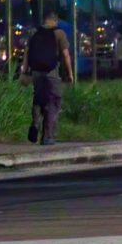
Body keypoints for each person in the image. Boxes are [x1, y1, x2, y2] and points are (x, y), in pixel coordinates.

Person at [21, 11, 75, 146]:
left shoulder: (34, 32)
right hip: (52, 73)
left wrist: (25, 71)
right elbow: (65, 55)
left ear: (44, 20)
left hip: (36, 73)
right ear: (55, 21)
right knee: (53, 102)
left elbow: (27, 54)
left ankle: (35, 122)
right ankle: (47, 136)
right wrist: (69, 74)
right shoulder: (59, 33)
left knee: (38, 99)